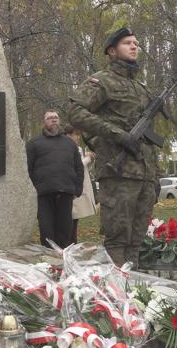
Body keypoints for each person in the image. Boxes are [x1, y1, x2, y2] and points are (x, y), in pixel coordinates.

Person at [66, 27, 157, 267]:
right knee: (117, 237)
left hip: (144, 175)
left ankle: (132, 284)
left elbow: (147, 138)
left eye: (135, 42)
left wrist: (154, 176)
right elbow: (75, 112)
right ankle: (116, 286)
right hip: (118, 173)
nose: (134, 46)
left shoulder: (141, 88)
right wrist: (117, 134)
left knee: (137, 239)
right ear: (112, 51)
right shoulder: (102, 81)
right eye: (127, 42)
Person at [26, 111, 83, 249]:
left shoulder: (70, 143)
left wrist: (78, 189)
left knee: (65, 229)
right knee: (46, 229)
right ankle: (48, 256)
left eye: (56, 118)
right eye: (49, 118)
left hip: (65, 192)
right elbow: (27, 168)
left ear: (59, 121)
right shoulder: (33, 143)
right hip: (43, 193)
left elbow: (78, 167)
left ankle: (62, 256)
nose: (53, 120)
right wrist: (33, 189)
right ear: (44, 122)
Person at [65, 126, 97, 243]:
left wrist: (89, 159)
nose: (78, 137)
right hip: (72, 189)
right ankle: (70, 245)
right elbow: (74, 166)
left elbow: (83, 168)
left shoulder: (77, 149)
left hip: (79, 188)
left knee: (74, 221)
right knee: (70, 221)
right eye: (75, 134)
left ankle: (72, 243)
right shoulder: (66, 148)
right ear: (68, 135)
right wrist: (87, 159)